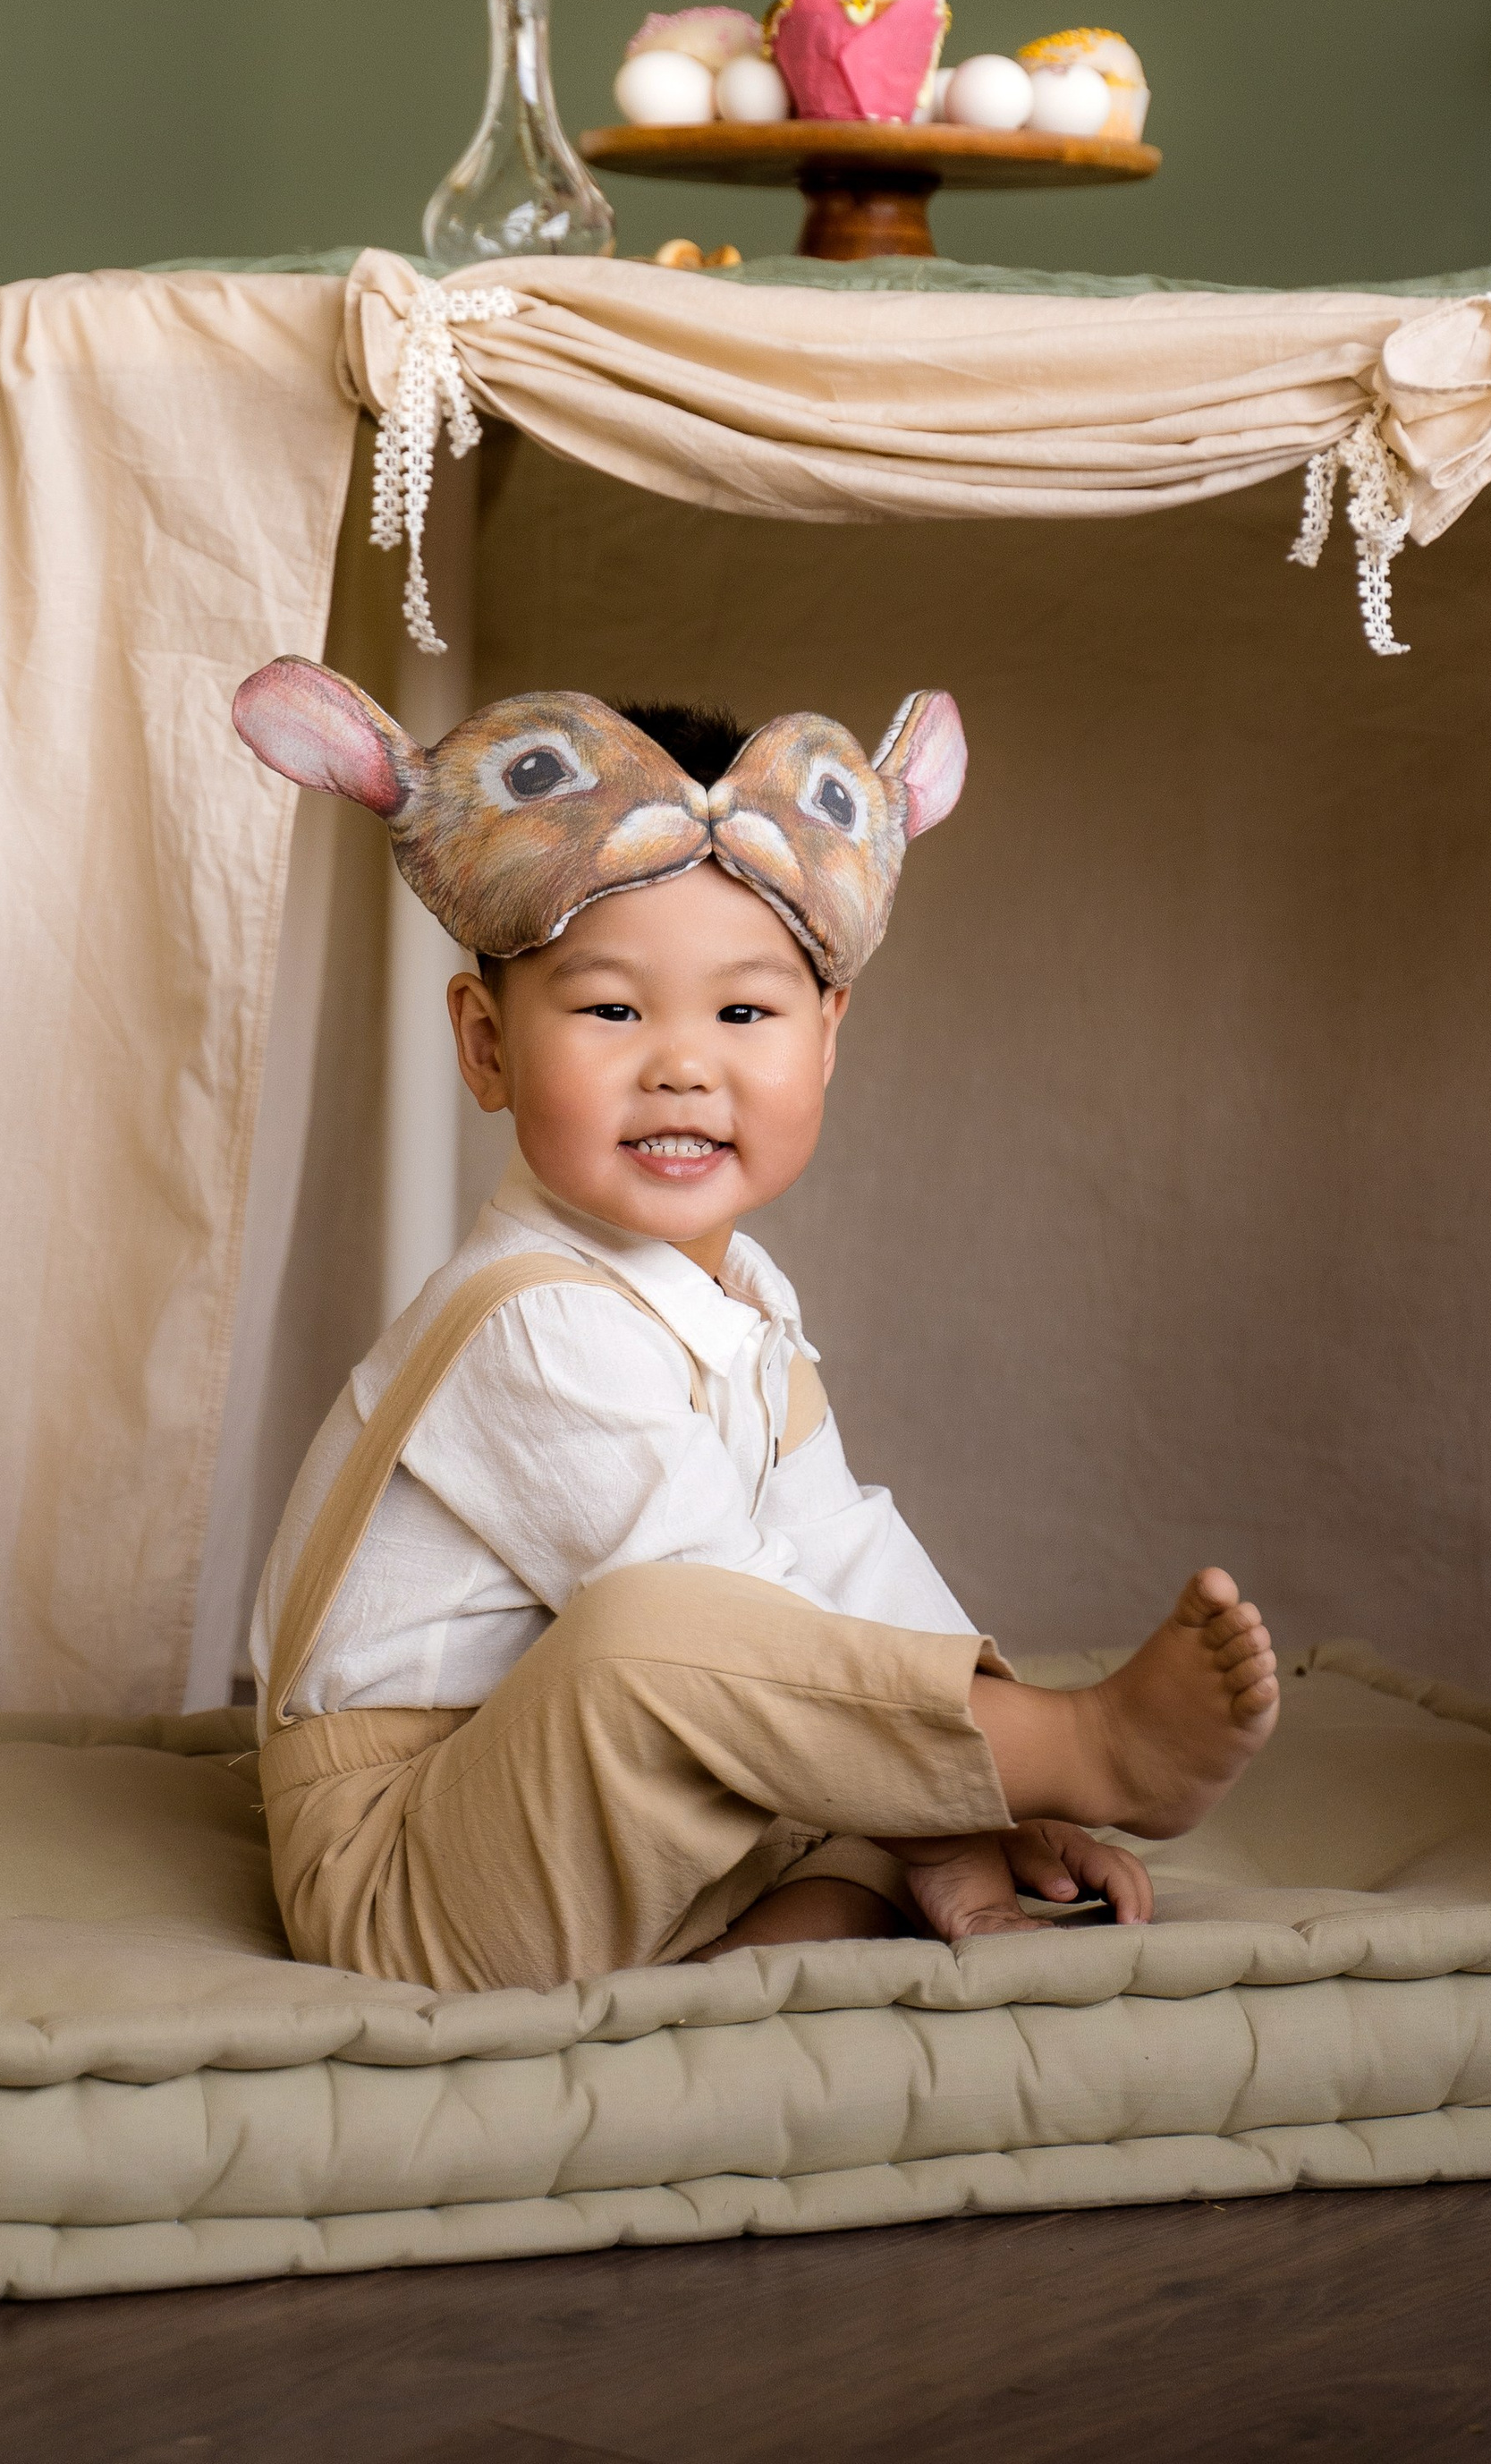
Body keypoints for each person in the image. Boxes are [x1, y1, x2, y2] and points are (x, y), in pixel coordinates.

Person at [234, 661, 1279, 1996]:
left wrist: (975, 1800)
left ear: (827, 1037)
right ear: (487, 1045)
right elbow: (720, 1631)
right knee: (658, 1627)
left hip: (596, 1820)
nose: (682, 1062)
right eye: (612, 1009)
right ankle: (1091, 1754)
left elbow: (836, 1554)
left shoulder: (745, 1303)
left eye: (744, 1012)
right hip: (415, 1864)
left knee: (802, 1661)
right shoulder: (535, 1324)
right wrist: (1040, 1753)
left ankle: (806, 1920)